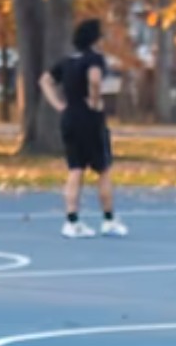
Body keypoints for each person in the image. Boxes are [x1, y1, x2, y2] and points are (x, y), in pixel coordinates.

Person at [38, 18, 127, 239]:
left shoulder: (68, 61)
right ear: (95, 38)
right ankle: (108, 220)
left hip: (70, 117)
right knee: (103, 169)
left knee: (75, 169)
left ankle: (72, 221)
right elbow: (95, 79)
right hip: (90, 119)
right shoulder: (94, 59)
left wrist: (59, 104)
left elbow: (45, 80)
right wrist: (95, 100)